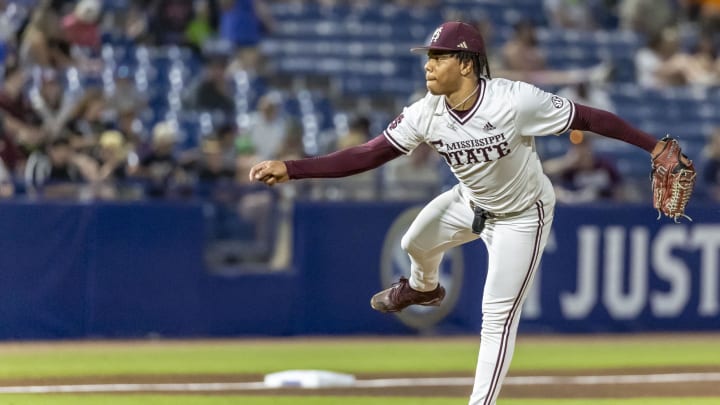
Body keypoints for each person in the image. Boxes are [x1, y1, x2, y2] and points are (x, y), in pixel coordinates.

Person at [248, 21, 680, 404]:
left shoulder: (514, 101)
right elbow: (368, 154)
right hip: (470, 201)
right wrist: (293, 168)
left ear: (467, 64)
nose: (428, 65)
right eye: (428, 57)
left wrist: (654, 147)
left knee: (496, 317)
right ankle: (423, 288)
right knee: (413, 242)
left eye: (438, 57)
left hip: (521, 217)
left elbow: (589, 117)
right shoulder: (426, 112)